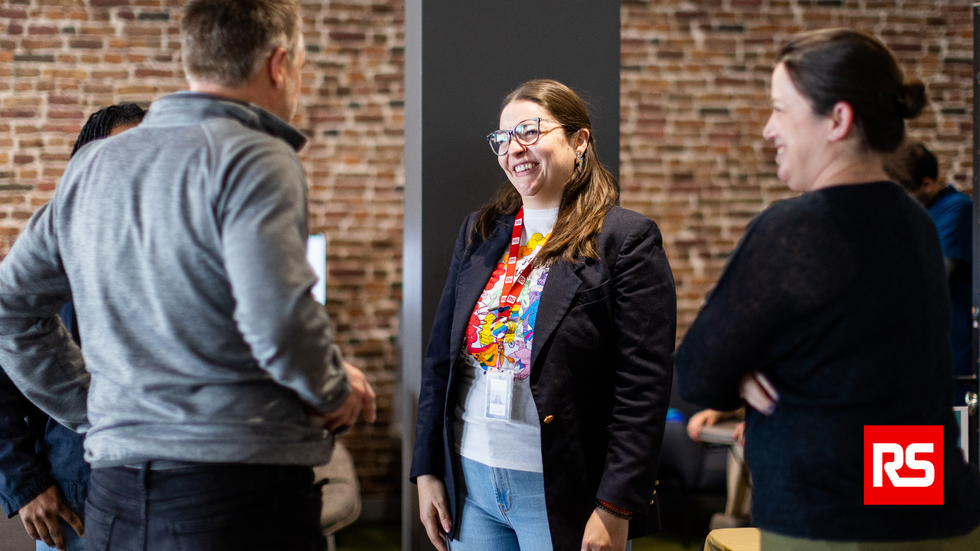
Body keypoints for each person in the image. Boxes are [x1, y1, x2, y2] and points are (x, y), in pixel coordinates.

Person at [0, 1, 376, 550]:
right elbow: (279, 322)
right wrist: (336, 388)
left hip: (114, 502)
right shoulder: (255, 154)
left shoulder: (92, 168)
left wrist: (97, 405)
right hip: (235, 498)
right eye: (298, 69)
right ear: (279, 64)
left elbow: (9, 309)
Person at [675, 28, 980, 547]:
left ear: (837, 119)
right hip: (933, 510)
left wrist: (744, 370)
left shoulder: (796, 228)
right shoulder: (916, 223)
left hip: (829, 520)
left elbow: (699, 375)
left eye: (780, 109)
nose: (769, 129)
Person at [411, 79, 676, 551]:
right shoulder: (481, 231)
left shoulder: (625, 240)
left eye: (530, 131)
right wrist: (428, 468)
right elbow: (440, 361)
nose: (515, 148)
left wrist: (616, 505)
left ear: (579, 140)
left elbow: (644, 388)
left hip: (561, 487)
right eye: (503, 138)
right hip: (469, 479)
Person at [0, 103, 144, 551]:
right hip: (76, 502)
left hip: (167, 498)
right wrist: (24, 485)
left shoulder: (171, 254)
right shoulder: (51, 258)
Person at [884, 141, 974, 405]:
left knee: (941, 438)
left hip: (948, 351)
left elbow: (924, 280)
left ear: (926, 184)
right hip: (908, 352)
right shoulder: (911, 212)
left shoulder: (956, 209)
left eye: (904, 192)